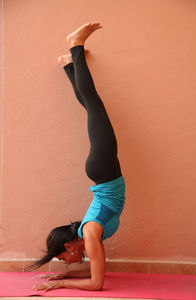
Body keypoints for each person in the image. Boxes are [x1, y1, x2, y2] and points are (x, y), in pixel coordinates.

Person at [30, 22, 126, 292]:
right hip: (103, 172)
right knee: (91, 107)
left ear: (70, 245)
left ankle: (76, 46)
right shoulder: (89, 236)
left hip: (105, 171)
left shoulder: (91, 233)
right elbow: (96, 273)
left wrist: (61, 286)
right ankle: (68, 64)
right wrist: (62, 279)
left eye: (64, 258)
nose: (69, 263)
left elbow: (97, 284)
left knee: (94, 104)